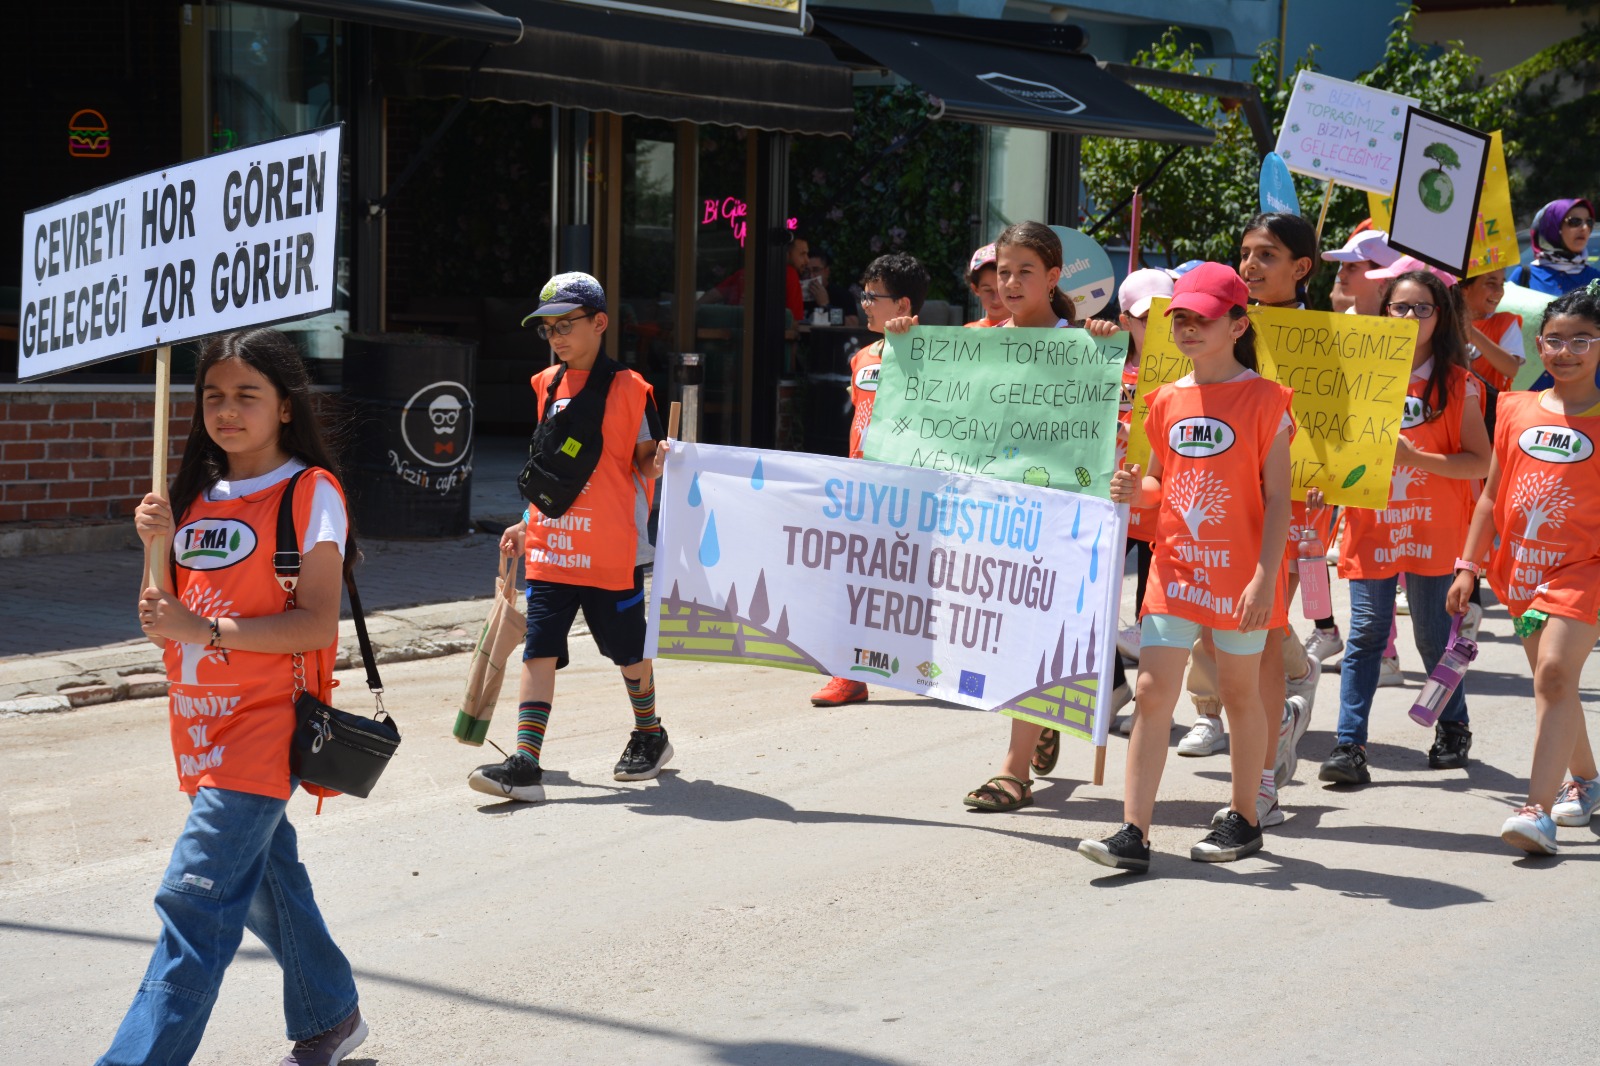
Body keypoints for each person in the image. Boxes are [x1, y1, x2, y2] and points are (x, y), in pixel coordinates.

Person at [107, 328, 367, 1065]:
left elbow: (315, 623)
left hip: (264, 730)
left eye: (247, 394)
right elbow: (163, 628)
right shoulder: (189, 495)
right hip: (196, 730)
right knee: (266, 882)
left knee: (193, 904)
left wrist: (204, 627)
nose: (227, 410)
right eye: (213, 395)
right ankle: (331, 1014)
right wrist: (153, 548)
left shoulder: (310, 492)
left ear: (286, 406)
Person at [1078, 262, 1293, 870]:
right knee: (1150, 692)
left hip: (1241, 580)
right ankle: (1133, 831)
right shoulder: (1166, 398)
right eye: (1180, 320)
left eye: (1202, 319)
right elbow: (1158, 482)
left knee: (1238, 692)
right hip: (1175, 572)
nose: (1188, 330)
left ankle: (1245, 817)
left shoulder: (1268, 400)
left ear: (1237, 324)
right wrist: (1134, 490)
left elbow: (1280, 498)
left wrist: (1261, 579)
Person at [469, 272, 670, 802]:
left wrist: (665, 458)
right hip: (552, 547)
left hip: (611, 549)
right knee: (538, 650)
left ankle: (650, 733)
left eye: (567, 324)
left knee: (627, 651)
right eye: (548, 328)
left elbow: (644, 461)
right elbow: (548, 466)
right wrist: (524, 520)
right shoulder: (545, 385)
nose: (556, 336)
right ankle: (526, 761)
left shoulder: (631, 388)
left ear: (599, 323)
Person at [1318, 269, 1490, 785]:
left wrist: (1419, 458)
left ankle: (1453, 725)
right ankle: (1349, 746)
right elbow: (1331, 445)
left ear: (1441, 318)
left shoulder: (1462, 384)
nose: (1411, 317)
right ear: (1383, 311)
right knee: (1367, 633)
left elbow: (1480, 462)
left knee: (1434, 638)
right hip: (1372, 525)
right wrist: (1320, 478)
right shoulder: (1355, 375)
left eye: (1423, 309)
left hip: (1436, 528)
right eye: (1401, 307)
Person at [1448, 280, 1600, 854]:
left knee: (1555, 675)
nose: (1566, 352)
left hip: (1585, 570)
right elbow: (1490, 495)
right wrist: (1469, 565)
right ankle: (1585, 780)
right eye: (1555, 341)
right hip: (1520, 571)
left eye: (1582, 340)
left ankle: (1537, 810)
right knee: (1552, 682)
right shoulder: (1512, 408)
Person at [1177, 214, 1320, 761]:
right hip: (1218, 502)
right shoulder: (1221, 319)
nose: (1251, 264)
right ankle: (1210, 712)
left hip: (1292, 500)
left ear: (1301, 267)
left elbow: (1348, 431)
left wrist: (1325, 481)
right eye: (1246, 252)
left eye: (1267, 255)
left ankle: (1273, 726)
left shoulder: (1339, 335)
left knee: (1257, 619)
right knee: (1210, 613)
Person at [808, 252, 930, 708]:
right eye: (864, 295)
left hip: (913, 492)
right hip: (862, 489)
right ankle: (849, 674)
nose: (864, 304)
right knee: (852, 583)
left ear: (901, 305)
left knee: (916, 590)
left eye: (872, 297)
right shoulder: (861, 356)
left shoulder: (935, 354)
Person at [1088, 267, 1171, 726]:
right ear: (1123, 321)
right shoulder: (1104, 360)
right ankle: (1117, 685)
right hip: (1111, 502)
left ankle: (1149, 704)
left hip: (1160, 507)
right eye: (1146, 317)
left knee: (1152, 620)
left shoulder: (1194, 366)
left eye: (1167, 314)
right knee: (1095, 603)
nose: (1159, 325)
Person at [1512, 198, 1599, 298]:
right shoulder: (1525, 276)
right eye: (1575, 221)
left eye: (1589, 222)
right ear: (1553, 227)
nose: (1585, 228)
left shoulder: (1595, 280)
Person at [1460, 268, 1525, 393]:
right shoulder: (1444, 322)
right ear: (1465, 289)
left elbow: (1511, 369)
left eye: (1501, 284)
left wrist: (1471, 332)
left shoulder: (1506, 322)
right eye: (1491, 283)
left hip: (1491, 408)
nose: (1500, 291)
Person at [1323, 225, 1401, 316]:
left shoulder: (1403, 326)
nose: (1340, 274)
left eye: (1352, 266)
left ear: (1382, 275)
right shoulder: (1337, 325)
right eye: (1343, 265)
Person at [803, 247, 858, 324]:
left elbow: (853, 323)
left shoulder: (841, 295)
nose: (811, 276)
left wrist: (826, 306)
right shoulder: (798, 294)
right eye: (806, 271)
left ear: (827, 272)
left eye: (816, 270)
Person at [963, 242, 1008, 328]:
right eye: (988, 290)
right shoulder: (968, 333)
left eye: (1002, 289)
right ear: (975, 289)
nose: (996, 299)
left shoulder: (1032, 330)